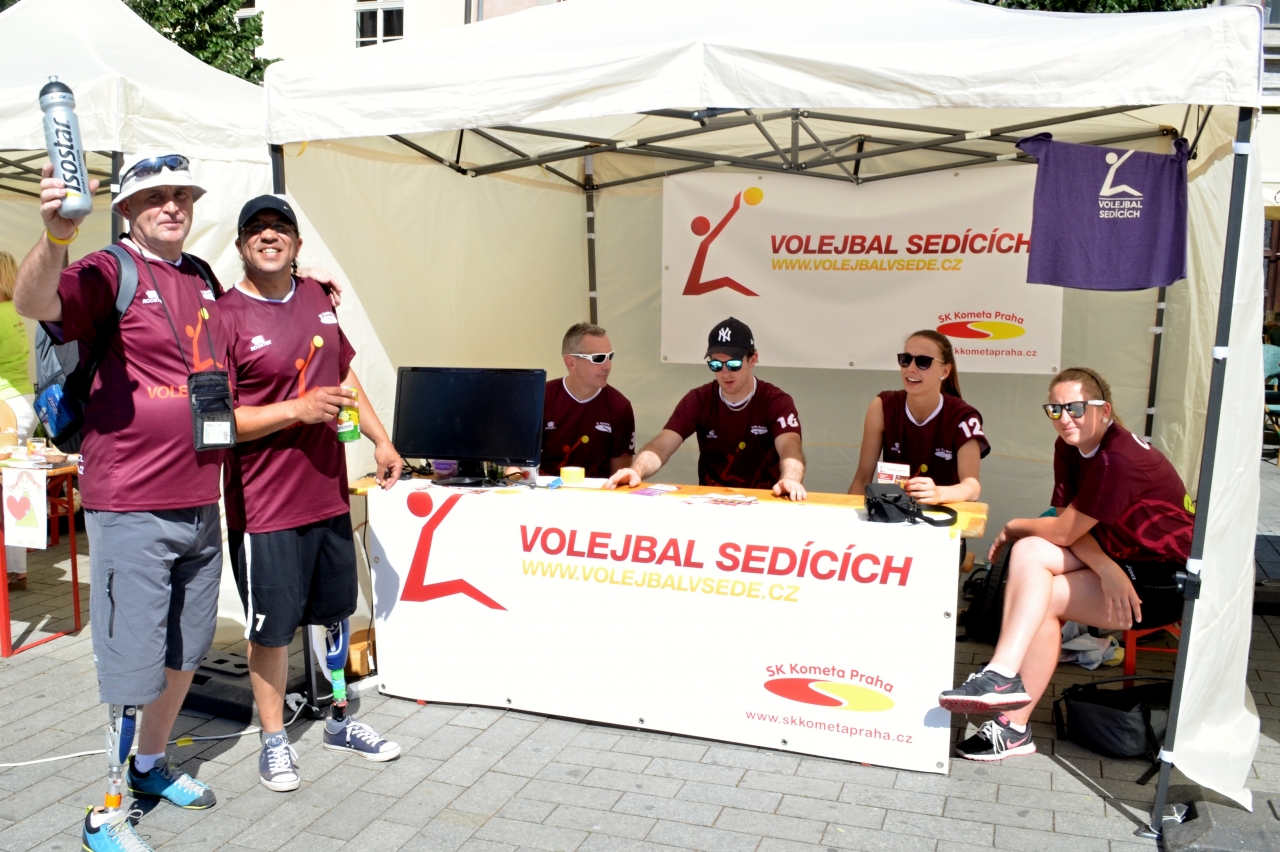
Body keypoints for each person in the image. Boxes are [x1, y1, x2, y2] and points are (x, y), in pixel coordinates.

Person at [15, 153, 225, 852]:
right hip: (132, 503)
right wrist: (55, 235)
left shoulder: (201, 276)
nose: (172, 206)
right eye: (155, 197)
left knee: (185, 649)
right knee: (131, 661)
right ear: (127, 209)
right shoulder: (110, 269)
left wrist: (304, 286)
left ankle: (149, 766)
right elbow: (33, 302)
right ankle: (105, 812)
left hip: (200, 502)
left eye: (181, 195)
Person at [221, 196, 403, 792]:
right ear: (241, 244)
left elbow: (343, 375)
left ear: (297, 244)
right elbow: (218, 422)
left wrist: (381, 440)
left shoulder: (315, 298)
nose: (269, 235)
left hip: (326, 494)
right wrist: (296, 410)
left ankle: (340, 720)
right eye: (256, 229)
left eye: (281, 228)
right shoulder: (223, 315)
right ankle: (274, 740)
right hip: (265, 507)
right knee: (271, 632)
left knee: (335, 615)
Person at [938, 367, 1193, 762]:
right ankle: (1004, 686)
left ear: (1103, 410)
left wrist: (1013, 525)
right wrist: (1105, 567)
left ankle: (1010, 712)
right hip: (1120, 562)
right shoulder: (1070, 445)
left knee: (1037, 585)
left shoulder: (1116, 460)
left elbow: (1063, 530)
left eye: (1075, 407)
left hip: (1161, 583)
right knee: (1030, 557)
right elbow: (1064, 520)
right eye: (1055, 409)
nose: (1064, 418)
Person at [607, 317, 806, 500]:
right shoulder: (698, 399)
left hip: (764, 501)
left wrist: (791, 479)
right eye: (716, 365)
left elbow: (790, 448)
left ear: (753, 359)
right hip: (712, 502)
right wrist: (636, 470)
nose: (725, 373)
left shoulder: (775, 401)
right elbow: (662, 446)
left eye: (733, 364)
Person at [847, 329, 988, 505]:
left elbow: (972, 487)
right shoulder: (882, 406)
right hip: (895, 515)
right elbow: (862, 479)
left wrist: (939, 493)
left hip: (945, 517)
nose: (911, 368)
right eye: (905, 360)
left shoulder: (963, 417)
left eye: (923, 362)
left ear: (945, 371)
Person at [529, 322, 634, 479]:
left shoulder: (619, 407)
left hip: (598, 493)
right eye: (598, 358)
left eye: (610, 356)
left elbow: (620, 477)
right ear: (571, 362)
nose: (607, 366)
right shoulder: (540, 398)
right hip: (544, 491)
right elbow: (518, 466)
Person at [0, 251, 36, 591]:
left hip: (4, 409)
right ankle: (16, 569)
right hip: (24, 400)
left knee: (10, 490)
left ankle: (11, 570)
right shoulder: (16, 312)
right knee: (15, 489)